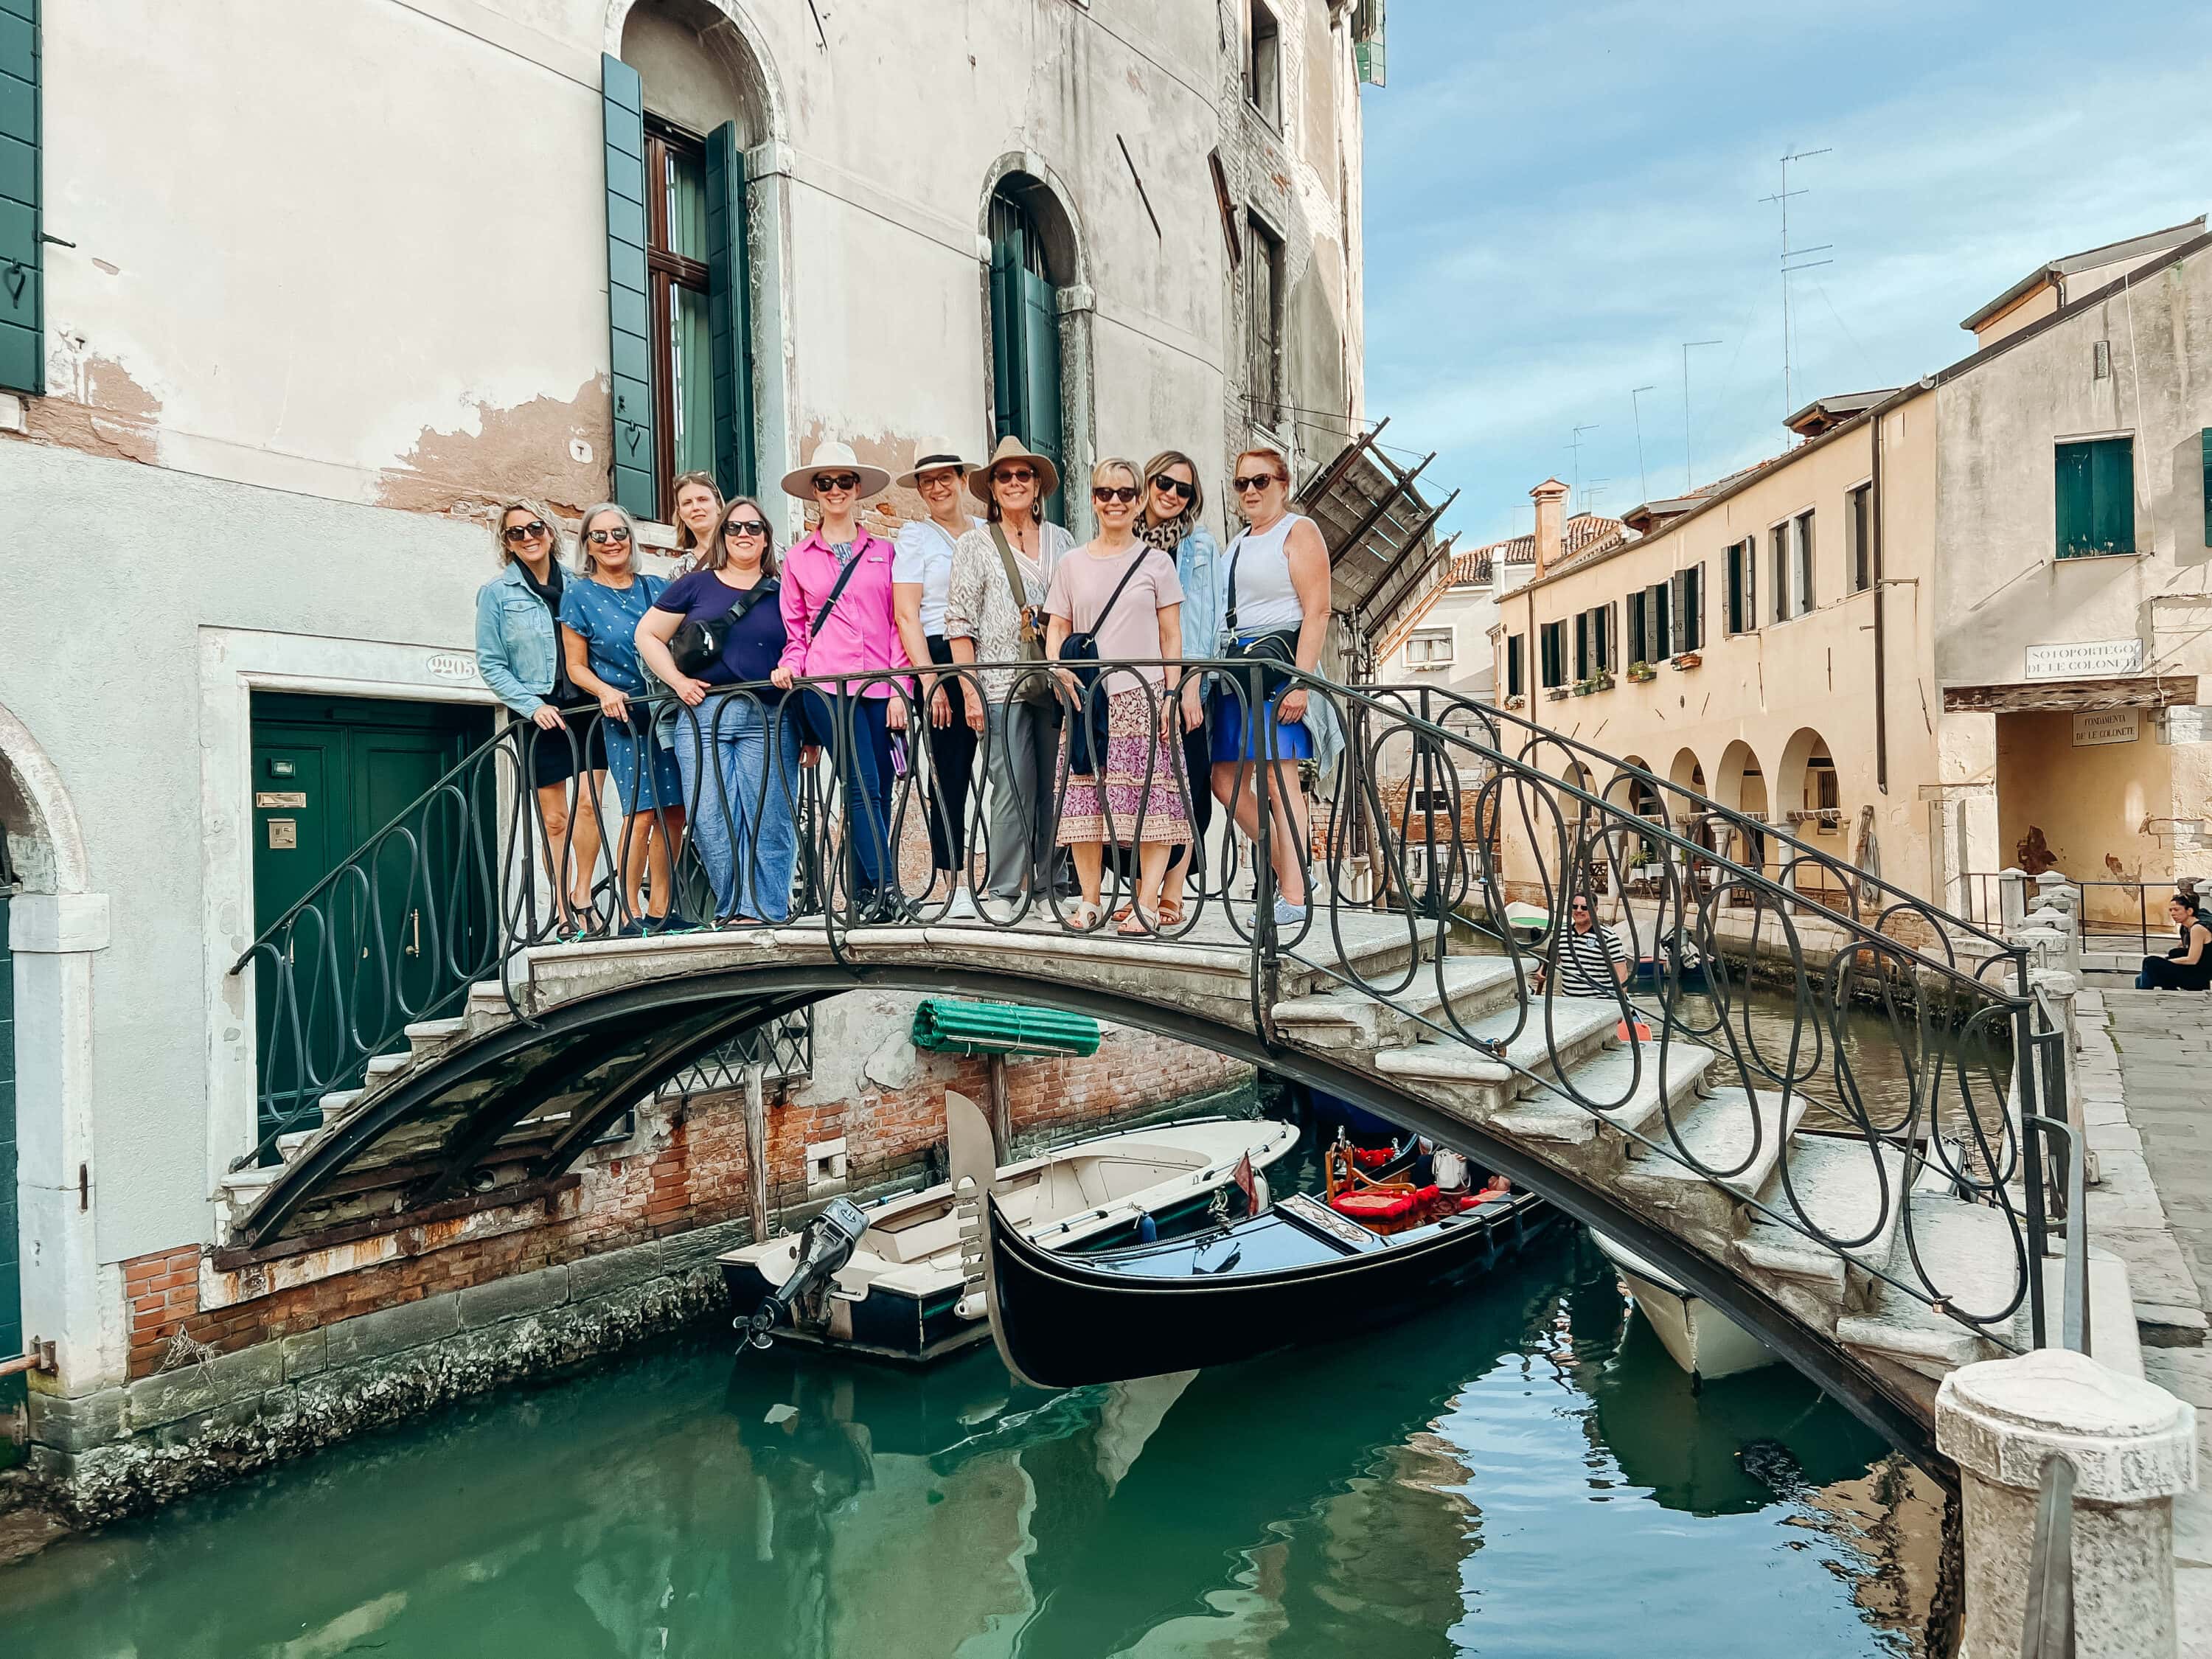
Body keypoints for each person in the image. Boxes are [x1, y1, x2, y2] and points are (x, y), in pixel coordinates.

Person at [636, 496, 799, 925]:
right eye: (734, 528)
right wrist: (677, 681)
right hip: (703, 713)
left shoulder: (785, 590)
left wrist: (808, 724)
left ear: (766, 539)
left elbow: (805, 649)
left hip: (769, 715)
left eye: (754, 528)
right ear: (723, 537)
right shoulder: (695, 584)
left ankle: (767, 910)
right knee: (710, 816)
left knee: (771, 815)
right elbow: (648, 634)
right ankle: (731, 909)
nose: (744, 535)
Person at [1044, 459, 1191, 934]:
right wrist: (1057, 667)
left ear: (1139, 501)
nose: (1114, 502)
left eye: (1125, 494)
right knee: (1085, 801)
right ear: (1093, 499)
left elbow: (1172, 635)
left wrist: (1171, 693)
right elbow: (1058, 627)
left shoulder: (1156, 564)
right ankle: (1090, 901)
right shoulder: (1073, 563)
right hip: (1089, 698)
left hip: (1143, 695)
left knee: (1154, 803)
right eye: (1105, 493)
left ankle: (1146, 902)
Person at [773, 439, 909, 922]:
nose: (835, 490)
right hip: (827, 687)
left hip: (878, 686)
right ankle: (888, 889)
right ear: (815, 491)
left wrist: (899, 689)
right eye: (825, 482)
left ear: (857, 489)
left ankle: (865, 894)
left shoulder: (885, 553)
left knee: (880, 787)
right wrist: (791, 664)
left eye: (844, 481)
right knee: (861, 782)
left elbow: (898, 623)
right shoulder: (797, 559)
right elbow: (796, 630)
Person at [945, 436, 1077, 910]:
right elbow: (959, 623)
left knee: (1056, 785)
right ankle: (1003, 888)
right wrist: (970, 689)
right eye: (1005, 476)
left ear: (1038, 484)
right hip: (1000, 682)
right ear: (992, 488)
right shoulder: (974, 545)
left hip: (1057, 680)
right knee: (1011, 786)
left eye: (1024, 475)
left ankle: (1051, 886)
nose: (1015, 482)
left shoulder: (1062, 540)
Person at [1210, 447, 1330, 930]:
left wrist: (1301, 684)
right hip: (1237, 672)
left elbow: (1317, 610)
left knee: (1281, 783)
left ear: (1283, 483)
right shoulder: (1237, 542)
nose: (1251, 491)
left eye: (1261, 481)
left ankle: (1295, 897)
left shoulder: (1298, 531)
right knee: (1224, 780)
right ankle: (1293, 870)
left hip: (1280, 670)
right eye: (1242, 483)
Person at [552, 503, 686, 935]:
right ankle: (628, 913)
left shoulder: (656, 587)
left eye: (619, 533)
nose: (611, 542)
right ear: (587, 545)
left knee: (675, 812)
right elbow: (575, 666)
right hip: (622, 714)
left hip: (665, 710)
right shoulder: (578, 593)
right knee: (641, 811)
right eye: (600, 536)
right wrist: (604, 691)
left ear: (631, 538)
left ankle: (660, 908)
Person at [475, 499, 605, 939]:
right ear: (507, 543)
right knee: (555, 819)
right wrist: (532, 706)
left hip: (586, 706)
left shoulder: (581, 586)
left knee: (590, 805)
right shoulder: (497, 594)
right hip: (538, 711)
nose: (528, 537)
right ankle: (564, 911)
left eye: (535, 528)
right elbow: (492, 664)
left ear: (550, 532)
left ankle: (583, 895)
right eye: (516, 533)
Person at [891, 444, 984, 919]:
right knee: (948, 771)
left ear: (962, 480)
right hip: (941, 653)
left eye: (944, 477)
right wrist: (929, 682)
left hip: (989, 652)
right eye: (927, 481)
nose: (936, 486)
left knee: (1008, 770)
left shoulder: (988, 533)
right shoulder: (914, 538)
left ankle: (1022, 874)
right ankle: (953, 879)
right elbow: (906, 615)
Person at [1138, 448, 1220, 926]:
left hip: (1184, 685)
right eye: (1164, 483)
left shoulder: (1199, 544)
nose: (1171, 494)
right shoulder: (1125, 541)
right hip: (1134, 686)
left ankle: (1172, 892)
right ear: (1149, 483)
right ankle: (1140, 889)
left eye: (1182, 489)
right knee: (1139, 793)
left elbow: (1204, 620)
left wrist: (1191, 686)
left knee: (1187, 790)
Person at [1531, 894, 1631, 997]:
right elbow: (1553, 959)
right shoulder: (1562, 933)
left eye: (1584, 907)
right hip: (1569, 1003)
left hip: (1599, 1003)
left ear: (1595, 910)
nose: (1578, 910)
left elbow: (1622, 974)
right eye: (1575, 907)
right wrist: (1542, 970)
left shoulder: (1608, 937)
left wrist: (1619, 1001)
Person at [2137, 891, 2212, 990]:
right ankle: (2168, 989)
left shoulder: (2197, 928)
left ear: (2189, 911)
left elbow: (2192, 960)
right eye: (2171, 910)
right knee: (2174, 953)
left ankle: (2145, 995)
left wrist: (2167, 962)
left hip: (2198, 977)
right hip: (2194, 972)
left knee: (2150, 962)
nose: (2172, 913)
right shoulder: (2187, 928)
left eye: (2176, 910)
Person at [667, 471, 725, 576]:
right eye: (687, 503)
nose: (696, 508)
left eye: (702, 499)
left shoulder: (740, 549)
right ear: (680, 513)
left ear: (718, 506)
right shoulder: (680, 568)